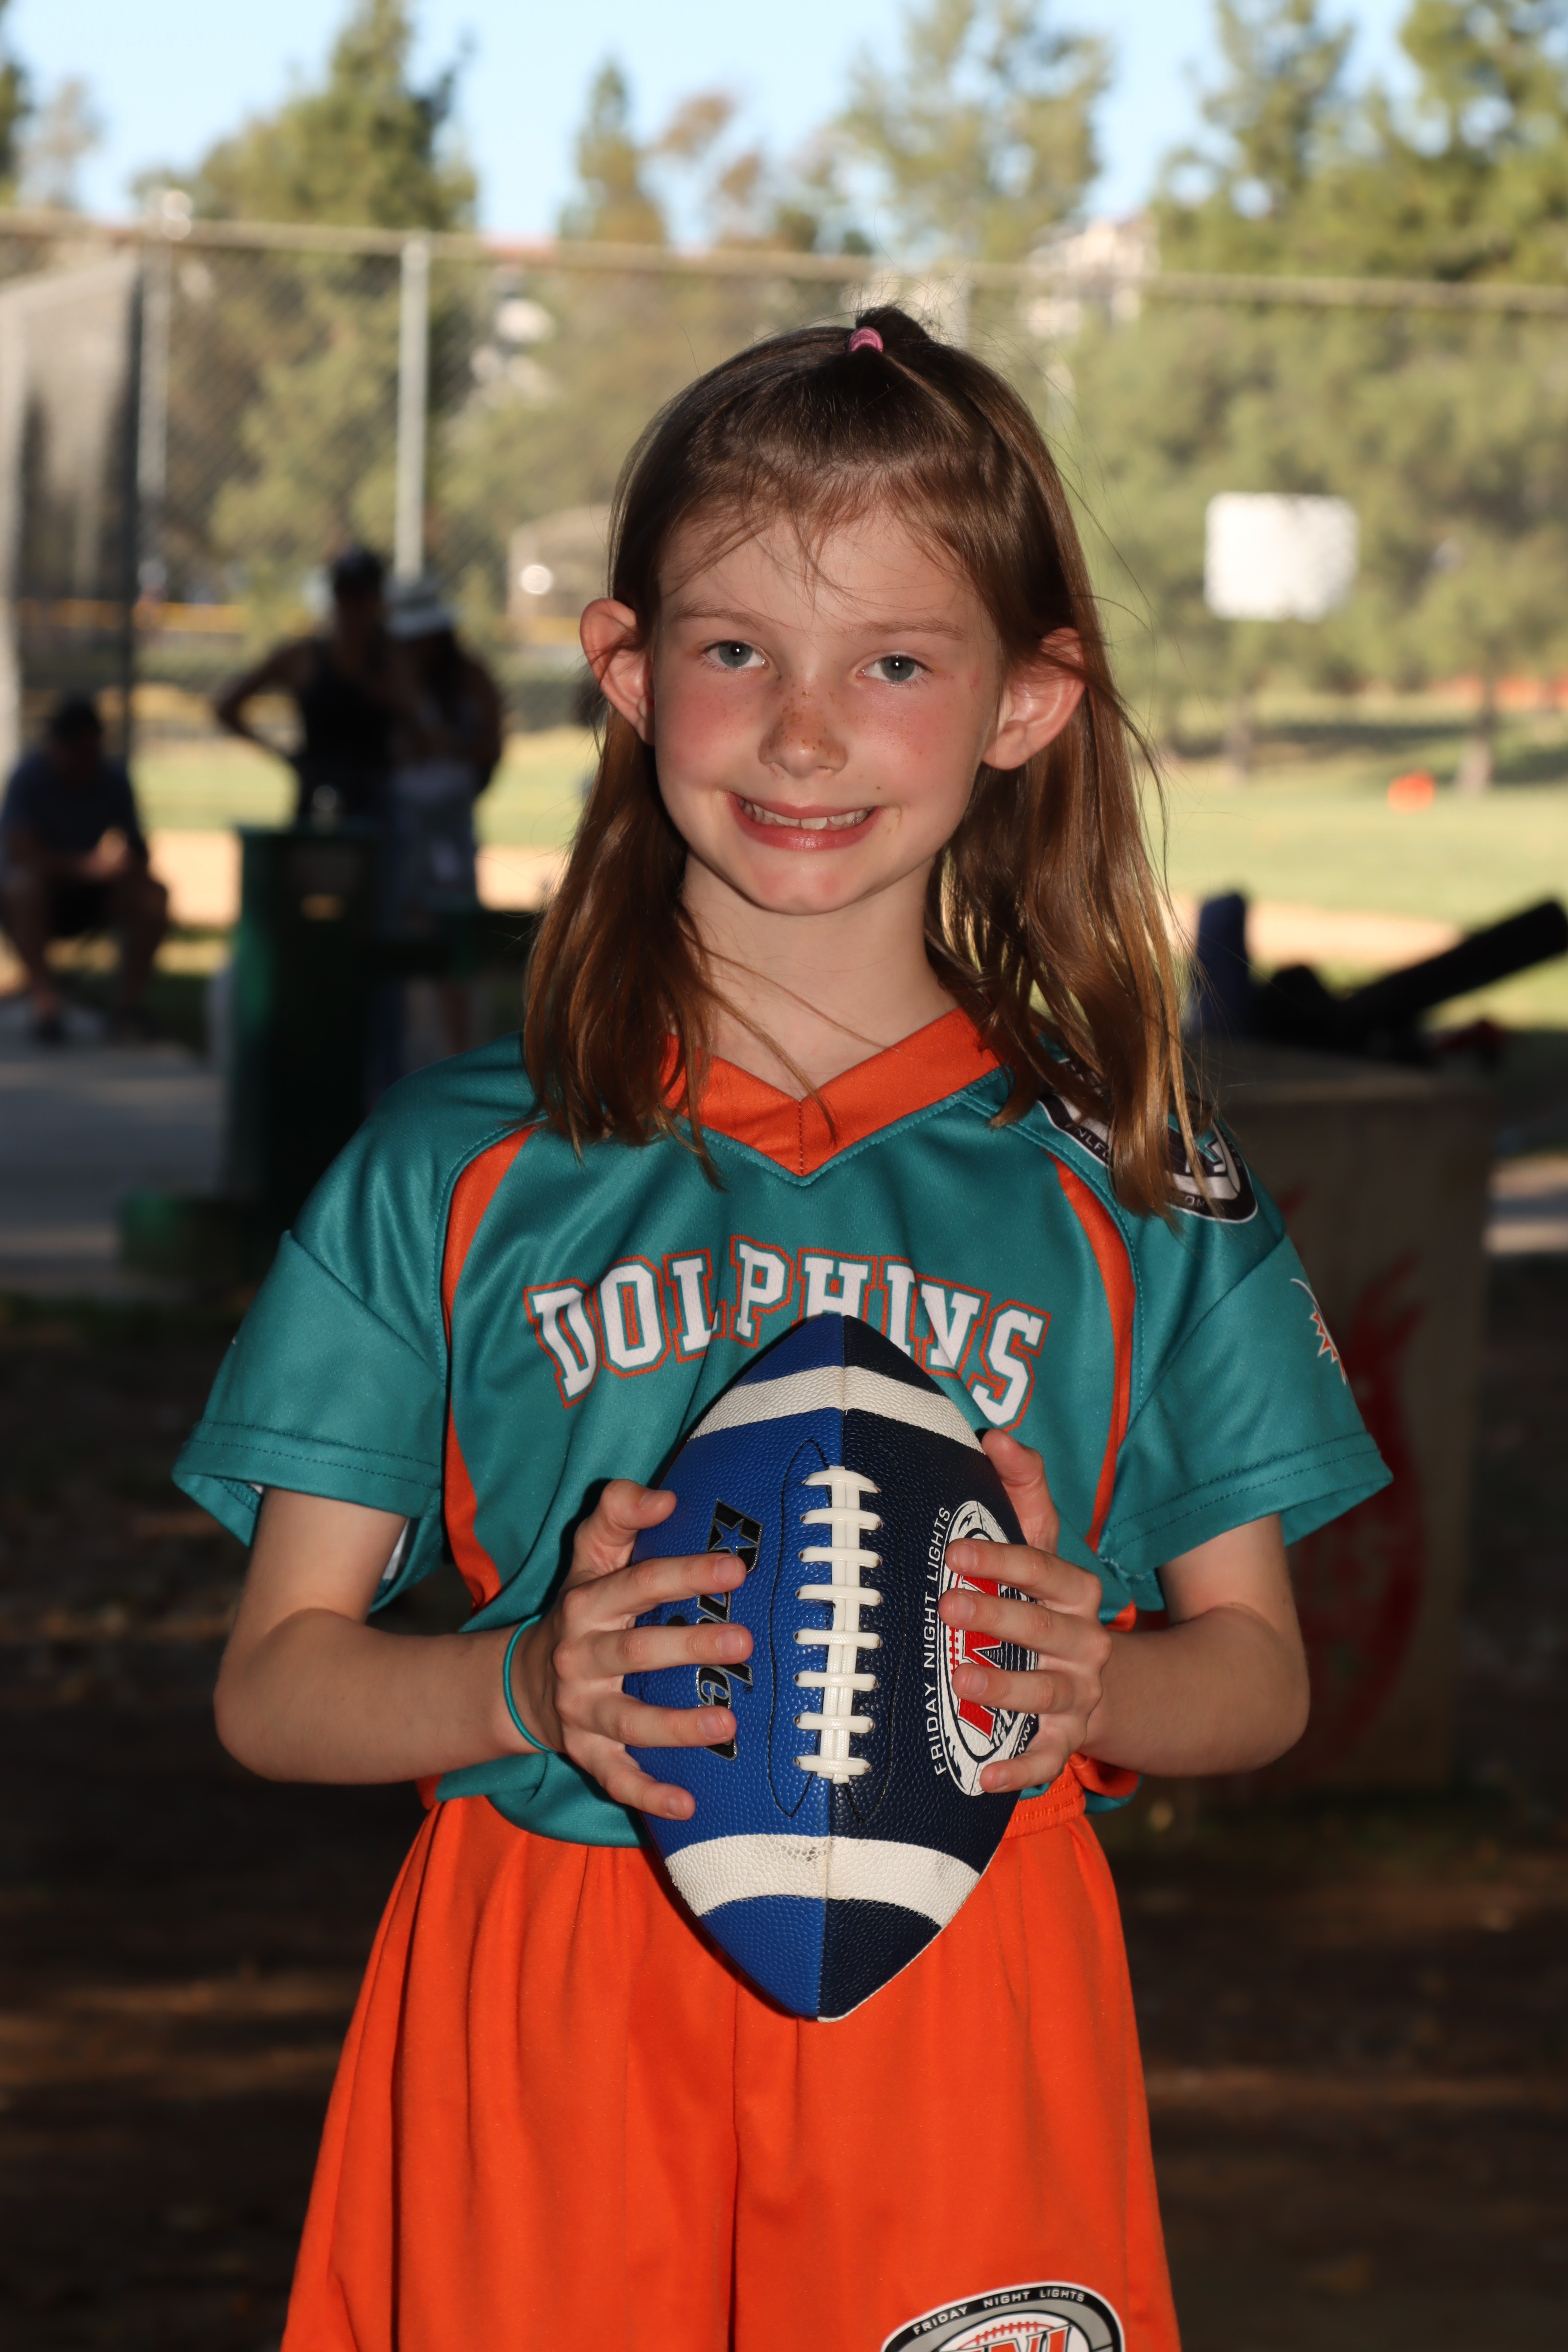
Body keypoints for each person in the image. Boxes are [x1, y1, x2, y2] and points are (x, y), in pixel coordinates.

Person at [173, 311, 1389, 2352]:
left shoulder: (1130, 1181)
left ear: (1026, 700)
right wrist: (524, 1688)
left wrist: (1094, 1680)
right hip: (551, 1996)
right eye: (739, 650)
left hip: (964, 1991)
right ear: (630, 670)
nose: (804, 736)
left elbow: (1255, 1676)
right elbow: (276, 1685)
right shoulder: (453, 1164)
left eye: (893, 664)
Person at [0, 695, 169, 1043]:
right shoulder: (29, 779)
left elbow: (137, 846)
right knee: (23, 886)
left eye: (91, 752)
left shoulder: (111, 779)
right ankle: (46, 1004)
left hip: (92, 895)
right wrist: (86, 867)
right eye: (76, 753)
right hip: (40, 896)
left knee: (153, 894)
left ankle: (127, 1008)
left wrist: (130, 862)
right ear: (55, 747)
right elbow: (21, 855)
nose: (84, 763)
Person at [384, 574, 504, 1056]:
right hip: (401, 821)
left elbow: (490, 747)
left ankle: (457, 1051)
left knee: (453, 928)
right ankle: (405, 1051)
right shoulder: (388, 680)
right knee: (402, 927)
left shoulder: (470, 677)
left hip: (450, 822)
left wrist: (445, 744)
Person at [214, 545, 395, 827]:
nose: (352, 608)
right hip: (316, 802)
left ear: (378, 601)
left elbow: (423, 721)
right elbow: (227, 707)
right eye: (345, 596)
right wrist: (283, 755)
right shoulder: (302, 657)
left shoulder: (397, 660)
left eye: (361, 597)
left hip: (381, 809)